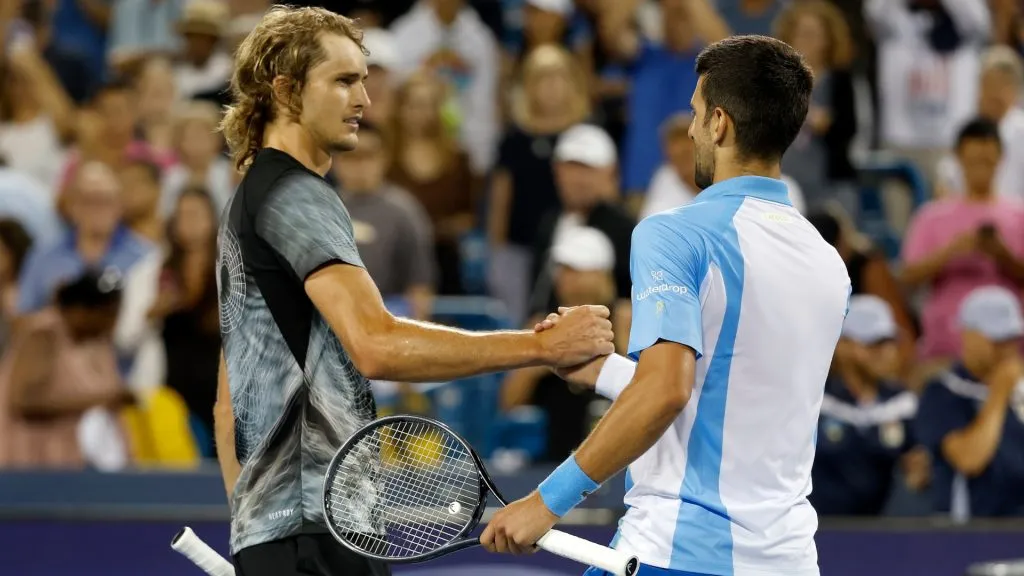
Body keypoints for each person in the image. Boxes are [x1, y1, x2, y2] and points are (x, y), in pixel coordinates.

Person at [214, 7, 614, 576]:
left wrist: (252, 524)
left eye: (365, 80)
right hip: (321, 532)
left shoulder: (245, 202)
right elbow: (376, 345)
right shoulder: (300, 197)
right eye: (344, 80)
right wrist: (541, 347)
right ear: (286, 89)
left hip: (276, 534)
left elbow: (228, 399)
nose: (365, 100)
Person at [481, 35, 851, 576]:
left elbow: (667, 389)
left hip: (676, 555)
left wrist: (545, 503)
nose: (694, 130)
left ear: (720, 123)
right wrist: (606, 372)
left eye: (696, 115)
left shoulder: (675, 234)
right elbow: (732, 395)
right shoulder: (828, 263)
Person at [811, 295, 929, 516]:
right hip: (819, 531)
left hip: (882, 535)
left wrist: (920, 467)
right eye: (874, 344)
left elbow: (919, 460)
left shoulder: (903, 403)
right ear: (843, 345)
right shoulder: (814, 399)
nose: (887, 353)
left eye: (889, 343)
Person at [915, 285, 1024, 518]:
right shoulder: (943, 392)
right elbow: (969, 459)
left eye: (1011, 339)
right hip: (967, 534)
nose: (1007, 350)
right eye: (997, 339)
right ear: (968, 335)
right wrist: (999, 392)